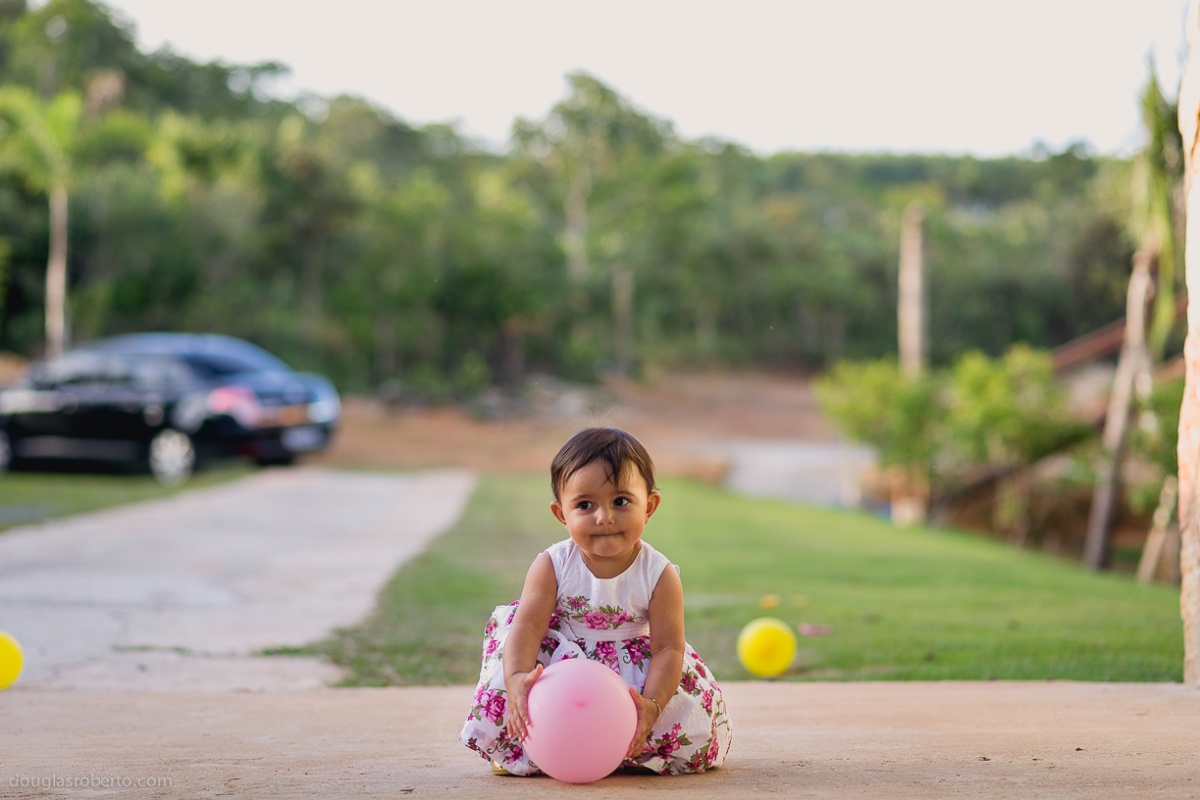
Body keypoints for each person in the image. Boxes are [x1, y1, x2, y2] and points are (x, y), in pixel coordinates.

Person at [459, 426, 732, 776]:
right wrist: (515, 679)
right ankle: (528, 749)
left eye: (621, 501)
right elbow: (528, 625)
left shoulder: (660, 574)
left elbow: (668, 649)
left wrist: (652, 703)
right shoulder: (553, 565)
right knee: (518, 695)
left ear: (648, 506)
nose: (604, 517)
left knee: (687, 734)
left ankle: (628, 750)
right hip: (562, 668)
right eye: (585, 505)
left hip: (635, 675)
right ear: (561, 514)